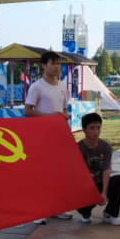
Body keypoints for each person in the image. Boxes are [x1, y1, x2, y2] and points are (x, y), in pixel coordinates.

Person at [25, 50, 72, 224]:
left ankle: (56, 208)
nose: (57, 66)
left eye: (58, 63)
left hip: (58, 137)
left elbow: (64, 109)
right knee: (41, 174)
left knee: (57, 173)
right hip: (40, 137)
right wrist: (49, 117)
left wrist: (64, 116)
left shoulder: (62, 86)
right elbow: (27, 111)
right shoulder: (37, 86)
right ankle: (38, 211)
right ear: (43, 66)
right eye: (53, 63)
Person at [76, 113, 120, 225]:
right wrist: (94, 195)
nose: (96, 131)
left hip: (100, 184)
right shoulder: (78, 148)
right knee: (83, 209)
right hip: (86, 187)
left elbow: (106, 170)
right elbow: (80, 176)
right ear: (84, 130)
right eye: (92, 128)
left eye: (98, 128)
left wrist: (104, 193)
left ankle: (110, 214)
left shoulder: (106, 146)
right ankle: (85, 213)